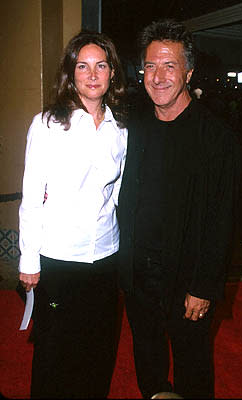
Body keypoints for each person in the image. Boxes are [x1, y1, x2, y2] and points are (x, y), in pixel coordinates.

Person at [118, 19, 239, 399]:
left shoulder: (217, 138)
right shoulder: (134, 129)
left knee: (193, 365)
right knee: (148, 360)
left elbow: (224, 220)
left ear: (188, 71)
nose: (158, 77)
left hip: (187, 280)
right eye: (150, 66)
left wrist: (203, 286)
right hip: (138, 274)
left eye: (169, 66)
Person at [18, 31, 127, 398]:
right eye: (83, 66)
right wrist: (29, 258)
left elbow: (117, 195)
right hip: (60, 257)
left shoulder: (121, 129)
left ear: (113, 73)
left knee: (98, 350)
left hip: (106, 258)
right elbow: (32, 196)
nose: (92, 74)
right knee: (55, 351)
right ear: (71, 73)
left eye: (101, 65)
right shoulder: (48, 124)